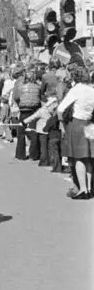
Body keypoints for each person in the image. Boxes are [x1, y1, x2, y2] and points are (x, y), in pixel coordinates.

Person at [57, 67, 94, 198]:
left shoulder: (76, 90)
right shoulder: (91, 89)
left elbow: (60, 109)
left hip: (76, 124)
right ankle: (89, 188)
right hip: (89, 123)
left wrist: (62, 122)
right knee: (88, 158)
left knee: (79, 158)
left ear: (74, 77)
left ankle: (82, 189)